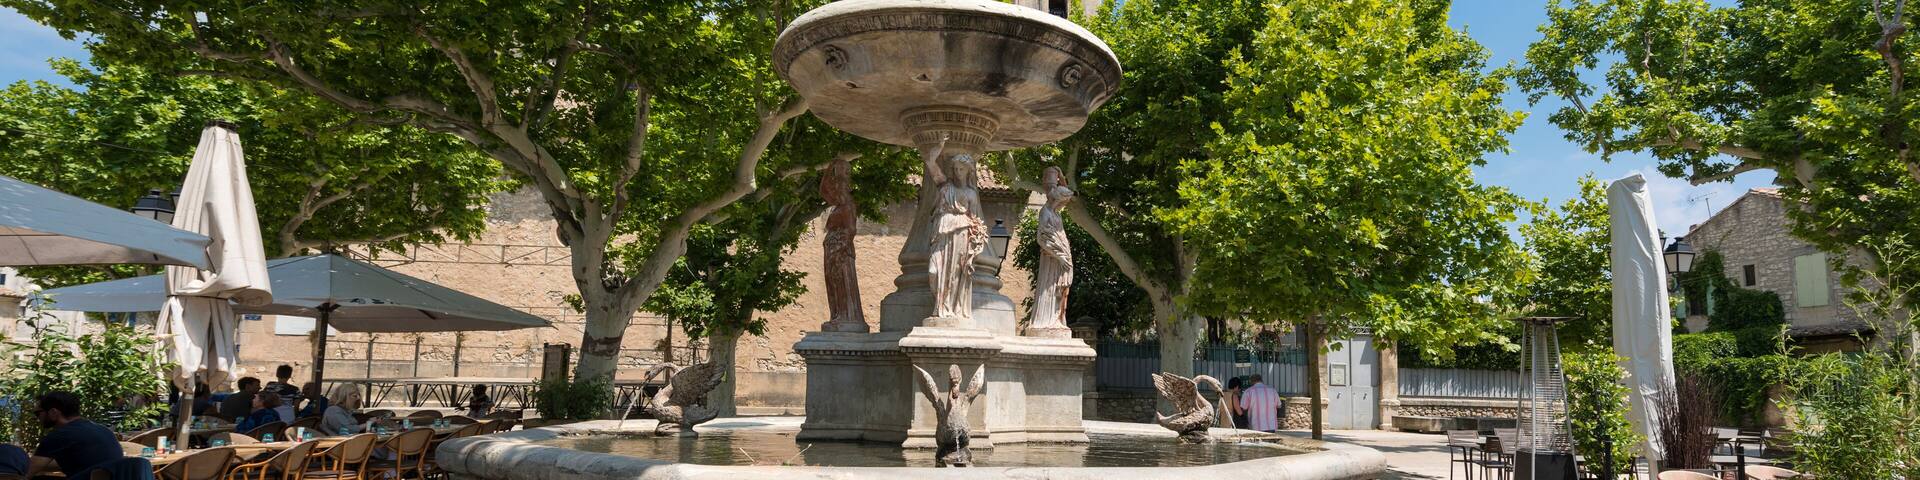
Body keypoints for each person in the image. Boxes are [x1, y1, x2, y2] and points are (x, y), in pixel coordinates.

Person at [28, 392, 122, 478]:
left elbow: (25, 473)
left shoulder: (59, 435)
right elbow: (82, 462)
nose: (37, 418)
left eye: (37, 413)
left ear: (53, 412)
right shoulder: (102, 429)